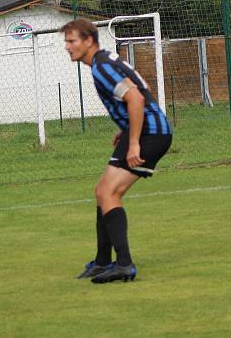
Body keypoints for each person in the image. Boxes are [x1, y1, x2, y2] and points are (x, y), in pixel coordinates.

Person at [62, 19, 173, 284]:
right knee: (103, 191)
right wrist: (126, 131)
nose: (67, 47)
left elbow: (134, 97)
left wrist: (133, 141)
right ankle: (102, 262)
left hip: (150, 134)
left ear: (89, 40)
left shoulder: (102, 66)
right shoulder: (104, 62)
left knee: (108, 192)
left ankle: (124, 264)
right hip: (146, 130)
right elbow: (141, 94)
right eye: (66, 42)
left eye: (72, 41)